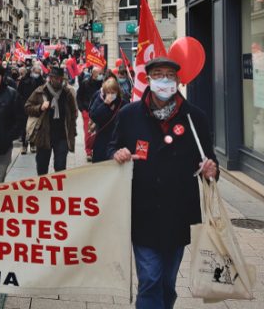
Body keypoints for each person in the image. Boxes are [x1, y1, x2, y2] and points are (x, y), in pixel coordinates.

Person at [109, 57, 219, 309]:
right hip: (142, 210)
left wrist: (211, 170)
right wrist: (117, 154)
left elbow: (208, 160)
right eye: (158, 74)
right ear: (148, 80)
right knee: (149, 278)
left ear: (178, 81)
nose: (164, 80)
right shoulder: (129, 115)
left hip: (177, 212)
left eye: (170, 75)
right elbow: (111, 148)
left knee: (167, 282)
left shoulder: (194, 117)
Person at [25, 67, 78, 175]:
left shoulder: (67, 93)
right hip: (44, 135)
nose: (58, 81)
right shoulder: (40, 91)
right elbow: (27, 107)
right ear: (50, 78)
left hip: (62, 136)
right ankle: (43, 189)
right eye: (56, 78)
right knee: (42, 167)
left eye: (60, 79)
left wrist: (71, 129)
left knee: (60, 167)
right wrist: (40, 108)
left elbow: (73, 112)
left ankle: (57, 190)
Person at [88, 77, 125, 163]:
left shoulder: (122, 102)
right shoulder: (100, 99)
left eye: (113, 92)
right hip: (102, 138)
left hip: (116, 140)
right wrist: (105, 105)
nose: (110, 95)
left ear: (117, 92)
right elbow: (94, 116)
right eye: (108, 92)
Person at [76, 66, 104, 162]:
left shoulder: (103, 84)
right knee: (89, 132)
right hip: (87, 111)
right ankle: (88, 151)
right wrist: (82, 109)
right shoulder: (85, 83)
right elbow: (79, 96)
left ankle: (95, 149)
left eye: (101, 73)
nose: (101, 75)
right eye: (99, 73)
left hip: (100, 110)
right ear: (93, 74)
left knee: (98, 131)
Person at [17, 64, 44, 154]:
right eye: (36, 72)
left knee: (34, 126)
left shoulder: (41, 81)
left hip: (36, 107)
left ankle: (33, 144)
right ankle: (24, 145)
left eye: (39, 73)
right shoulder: (24, 80)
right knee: (25, 126)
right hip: (25, 106)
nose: (37, 74)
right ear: (32, 71)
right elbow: (19, 93)